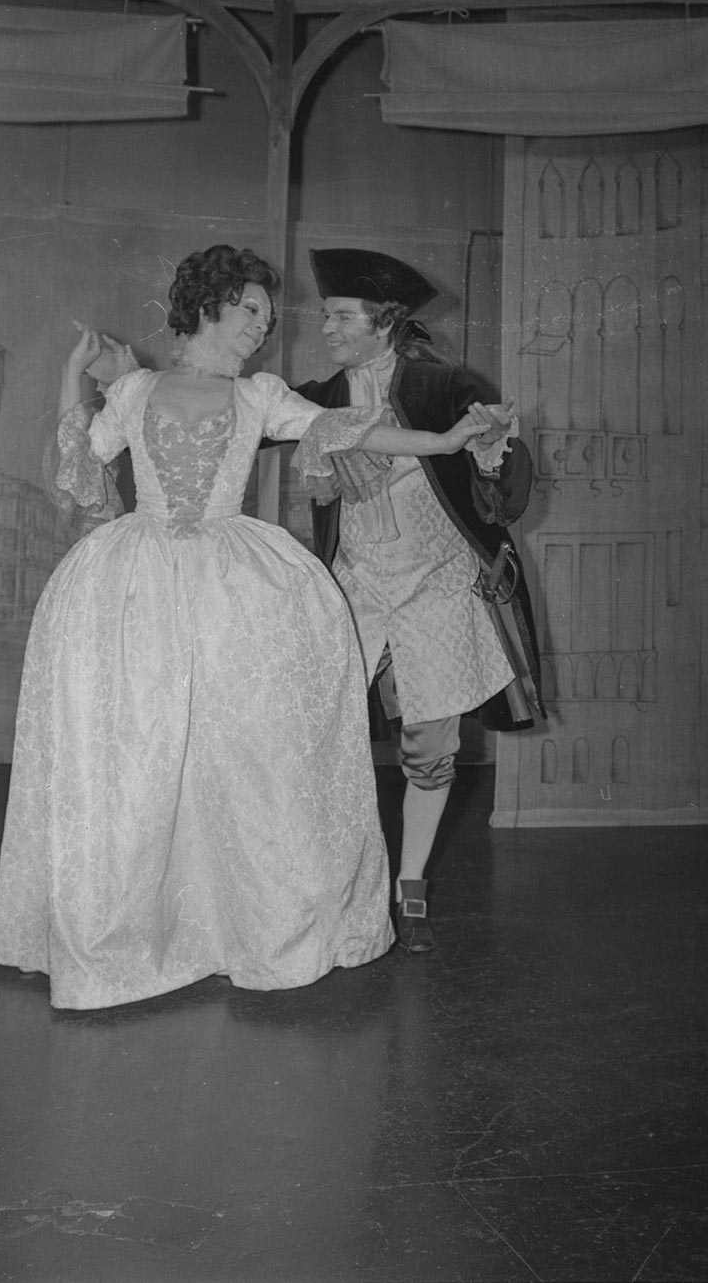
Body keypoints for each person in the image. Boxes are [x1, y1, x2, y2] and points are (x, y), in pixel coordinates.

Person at [0, 244, 503, 1011]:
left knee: (242, 755)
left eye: (267, 314)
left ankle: (238, 925)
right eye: (252, 309)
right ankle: (136, 929)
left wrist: (439, 442)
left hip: (235, 587)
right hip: (138, 586)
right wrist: (73, 377)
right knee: (142, 753)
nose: (264, 326)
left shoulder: (262, 395)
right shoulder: (135, 392)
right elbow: (81, 473)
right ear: (210, 306)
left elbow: (348, 430)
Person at [293, 248, 543, 954]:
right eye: (327, 315)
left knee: (430, 742)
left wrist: (492, 447)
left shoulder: (442, 385)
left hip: (435, 583)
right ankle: (333, 882)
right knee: (326, 728)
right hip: (356, 584)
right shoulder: (318, 399)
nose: (327, 327)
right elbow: (247, 423)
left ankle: (410, 889)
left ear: (384, 321)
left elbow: (501, 494)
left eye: (342, 316)